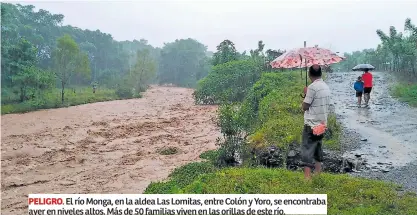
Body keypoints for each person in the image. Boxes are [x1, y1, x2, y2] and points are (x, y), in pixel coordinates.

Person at [301, 64, 331, 180]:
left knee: (307, 149)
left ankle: (307, 178)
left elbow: (305, 106)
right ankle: (318, 174)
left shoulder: (312, 88)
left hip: (311, 125)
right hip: (322, 124)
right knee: (318, 148)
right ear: (320, 74)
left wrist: (306, 94)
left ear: (309, 74)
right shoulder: (325, 86)